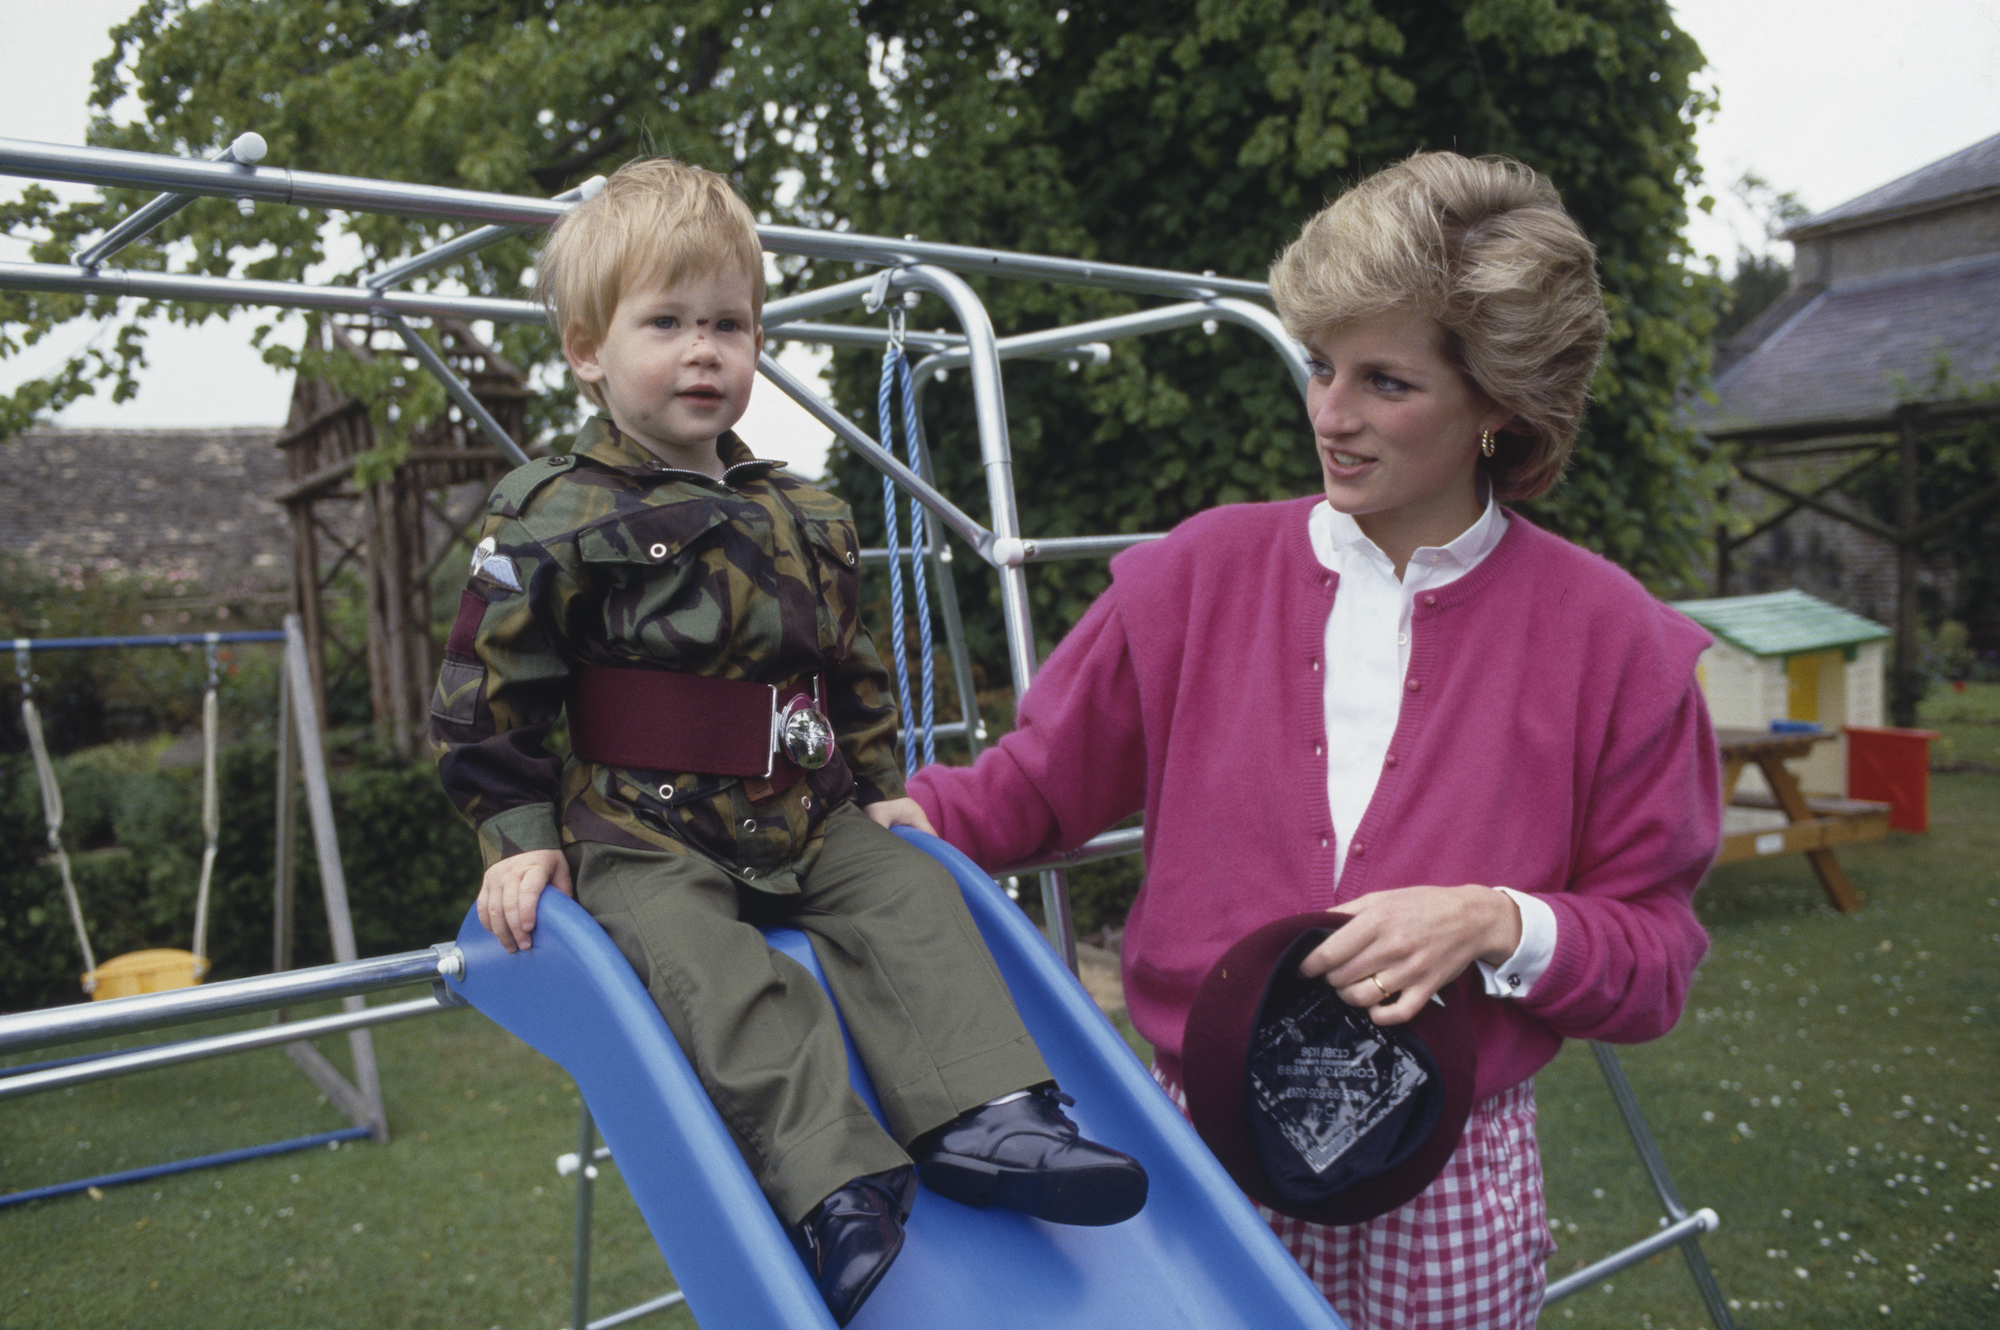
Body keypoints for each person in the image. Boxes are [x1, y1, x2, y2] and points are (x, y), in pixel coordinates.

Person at [870, 152, 1721, 1329]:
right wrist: (905, 821)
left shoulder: (1617, 643)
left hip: (1452, 1172)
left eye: (1385, 381)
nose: (1329, 413)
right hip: (1193, 1143)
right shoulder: (1190, 577)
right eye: (1320, 365)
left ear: (1500, 405)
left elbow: (1655, 956)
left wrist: (1491, 919)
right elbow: (1026, 789)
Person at [430, 157, 1145, 1327]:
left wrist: (874, 789)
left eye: (729, 323)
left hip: (802, 808)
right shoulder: (549, 511)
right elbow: (485, 692)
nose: (704, 350)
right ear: (585, 348)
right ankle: (833, 1182)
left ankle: (989, 1116)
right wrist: (514, 836)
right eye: (665, 323)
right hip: (641, 826)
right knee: (713, 969)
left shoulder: (807, 511)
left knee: (915, 897)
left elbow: (850, 675)